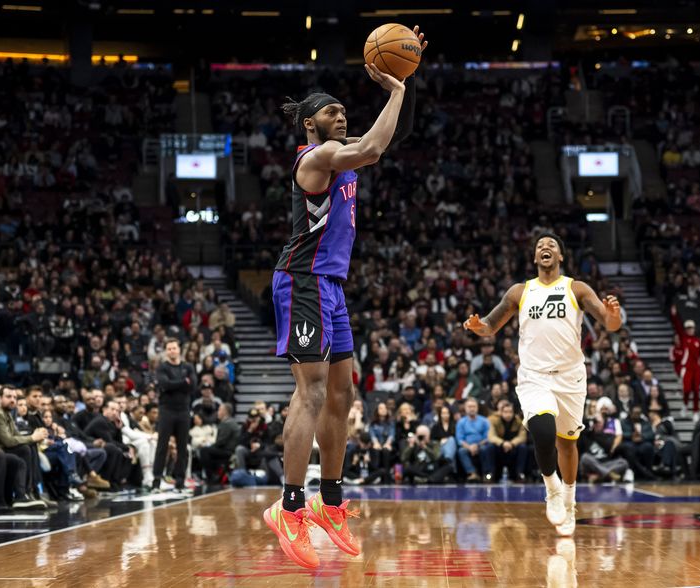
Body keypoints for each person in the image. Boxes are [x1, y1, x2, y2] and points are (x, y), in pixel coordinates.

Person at [263, 28, 427, 571]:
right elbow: (374, 148)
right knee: (309, 392)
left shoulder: (341, 154)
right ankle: (289, 507)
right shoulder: (318, 155)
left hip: (330, 286)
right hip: (302, 279)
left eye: (343, 111)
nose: (342, 115)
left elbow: (391, 139)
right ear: (311, 123)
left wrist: (404, 80)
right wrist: (395, 91)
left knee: (342, 393)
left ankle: (330, 502)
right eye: (333, 111)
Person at [464, 232, 622, 536]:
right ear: (536, 258)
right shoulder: (520, 292)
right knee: (542, 430)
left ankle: (570, 501)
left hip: (570, 377)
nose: (545, 248)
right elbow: (490, 326)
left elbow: (609, 323)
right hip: (534, 375)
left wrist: (613, 315)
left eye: (552, 246)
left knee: (567, 444)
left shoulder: (576, 288)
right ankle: (552, 489)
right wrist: (476, 326)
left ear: (560, 256)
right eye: (540, 246)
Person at [0, 385, 49, 508]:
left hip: (1, 449)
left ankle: (30, 493)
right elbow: (8, 441)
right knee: (24, 449)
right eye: (8, 397)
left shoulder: (6, 413)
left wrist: (35, 437)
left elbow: (16, 435)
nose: (12, 400)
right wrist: (32, 437)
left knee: (28, 446)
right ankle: (21, 495)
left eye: (14, 397)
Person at [153, 338, 196, 491]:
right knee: (162, 446)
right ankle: (156, 480)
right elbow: (164, 384)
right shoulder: (162, 367)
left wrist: (175, 384)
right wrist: (183, 383)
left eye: (174, 348)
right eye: (169, 348)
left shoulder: (188, 366)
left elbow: (193, 386)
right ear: (166, 351)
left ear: (179, 349)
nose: (172, 351)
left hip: (183, 411)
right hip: (167, 410)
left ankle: (180, 481)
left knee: (182, 447)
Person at [670, 305, 700, 419]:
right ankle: (685, 405)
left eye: (692, 328)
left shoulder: (698, 341)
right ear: (686, 329)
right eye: (688, 328)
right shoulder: (683, 338)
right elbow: (677, 327)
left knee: (696, 390)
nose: (690, 330)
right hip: (687, 368)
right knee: (687, 389)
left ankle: (695, 411)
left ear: (694, 329)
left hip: (697, 368)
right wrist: (674, 315)